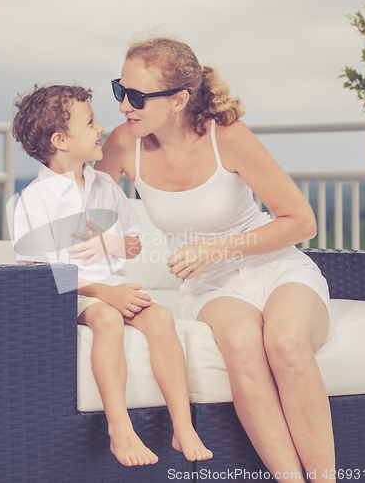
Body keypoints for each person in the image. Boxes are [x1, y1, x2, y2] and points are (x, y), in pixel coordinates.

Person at [96, 37, 335, 482]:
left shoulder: (227, 137)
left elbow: (302, 221)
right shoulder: (124, 144)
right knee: (244, 345)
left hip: (276, 267)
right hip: (212, 287)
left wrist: (216, 248)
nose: (124, 105)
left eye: (137, 96)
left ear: (180, 100)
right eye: (119, 89)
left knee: (285, 342)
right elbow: (85, 217)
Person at [10, 84, 213, 467]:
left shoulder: (104, 185)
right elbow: (43, 277)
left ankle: (182, 426)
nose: (101, 126)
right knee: (106, 318)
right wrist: (103, 293)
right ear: (60, 140)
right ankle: (120, 429)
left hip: (113, 286)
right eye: (90, 123)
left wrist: (112, 245)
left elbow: (134, 243)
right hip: (73, 294)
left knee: (161, 318)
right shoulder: (34, 202)